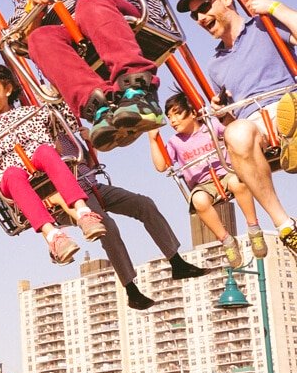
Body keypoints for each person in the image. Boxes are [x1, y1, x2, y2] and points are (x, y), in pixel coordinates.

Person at [9, 0, 167, 151]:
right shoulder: (31, 1)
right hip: (83, 51)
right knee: (40, 37)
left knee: (89, 2)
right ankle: (99, 106)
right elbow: (24, 39)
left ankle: (138, 88)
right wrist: (37, 8)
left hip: (126, 24)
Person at [176, 0, 297, 255]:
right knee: (235, 134)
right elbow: (230, 124)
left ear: (227, 0)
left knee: (289, 109)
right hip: (257, 124)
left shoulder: (265, 26)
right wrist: (221, 113)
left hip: (286, 100)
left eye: (205, 7)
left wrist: (273, 7)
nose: (200, 18)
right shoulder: (215, 68)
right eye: (195, 15)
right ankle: (285, 225)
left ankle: (291, 130)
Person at [0, 64, 106, 265]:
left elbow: (68, 125)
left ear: (7, 89)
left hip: (39, 161)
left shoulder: (31, 113)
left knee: (45, 151)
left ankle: (83, 213)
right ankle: (53, 236)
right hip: (11, 176)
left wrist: (55, 99)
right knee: (11, 174)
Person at [56, 132, 208, 310]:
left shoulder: (67, 134)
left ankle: (177, 262)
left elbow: (89, 164)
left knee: (144, 204)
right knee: (107, 227)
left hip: (93, 186)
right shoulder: (42, 146)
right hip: (75, 197)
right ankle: (131, 291)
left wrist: (89, 141)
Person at [148, 92, 268, 269]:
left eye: (177, 113)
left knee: (238, 182)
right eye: (169, 117)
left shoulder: (211, 126)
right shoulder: (175, 142)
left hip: (226, 173)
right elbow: (161, 166)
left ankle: (253, 228)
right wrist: (152, 139)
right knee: (198, 201)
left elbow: (233, 131)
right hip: (202, 185)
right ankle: (226, 240)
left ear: (193, 113)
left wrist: (224, 112)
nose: (172, 120)